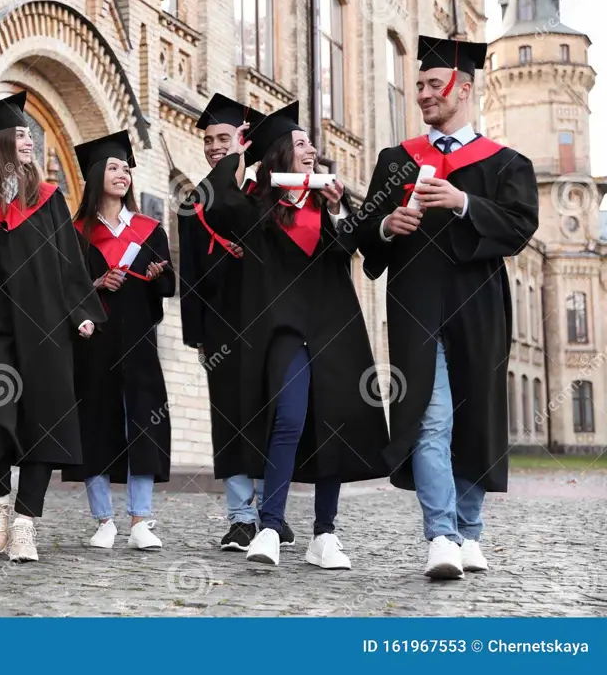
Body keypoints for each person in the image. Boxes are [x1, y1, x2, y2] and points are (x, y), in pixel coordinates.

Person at [355, 36, 538, 579]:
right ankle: (441, 535)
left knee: (475, 417)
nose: (424, 94)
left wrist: (463, 204)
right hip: (415, 304)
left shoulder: (505, 163)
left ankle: (470, 530)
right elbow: (366, 232)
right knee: (430, 421)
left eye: (435, 85)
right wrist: (388, 225)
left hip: (478, 304)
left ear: (464, 89)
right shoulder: (396, 162)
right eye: (419, 86)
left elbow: (519, 227)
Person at [199, 101, 390, 568]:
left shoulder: (326, 209)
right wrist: (237, 151)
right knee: (288, 418)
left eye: (311, 143)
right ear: (283, 152)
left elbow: (353, 248)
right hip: (281, 332)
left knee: (333, 422)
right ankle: (269, 525)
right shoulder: (256, 210)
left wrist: (340, 206)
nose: (312, 150)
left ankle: (324, 534)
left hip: (332, 330)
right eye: (302, 143)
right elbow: (219, 203)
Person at [0, 90, 106, 563]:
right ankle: (0, 497)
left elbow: (70, 261)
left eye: (31, 134)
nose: (30, 141)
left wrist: (82, 310)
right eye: (21, 134)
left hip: (46, 325)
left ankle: (25, 522)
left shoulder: (48, 200)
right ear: (1, 142)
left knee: (46, 419)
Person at [179, 93, 294, 552]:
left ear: (244, 141)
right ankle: (240, 518)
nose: (212, 147)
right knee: (229, 418)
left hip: (266, 321)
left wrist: (240, 159)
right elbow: (189, 271)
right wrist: (197, 334)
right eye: (207, 139)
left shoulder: (262, 196)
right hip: (222, 324)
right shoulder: (197, 199)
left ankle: (271, 514)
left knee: (268, 414)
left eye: (222, 138)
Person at [64, 131, 175, 551]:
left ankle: (141, 519)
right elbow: (66, 291)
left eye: (126, 169)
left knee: (143, 421)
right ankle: (104, 519)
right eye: (113, 167)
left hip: (138, 339)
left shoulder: (149, 229)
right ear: (95, 176)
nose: (122, 174)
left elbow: (167, 288)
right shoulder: (75, 233)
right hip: (94, 342)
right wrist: (97, 282)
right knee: (95, 423)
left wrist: (159, 274)